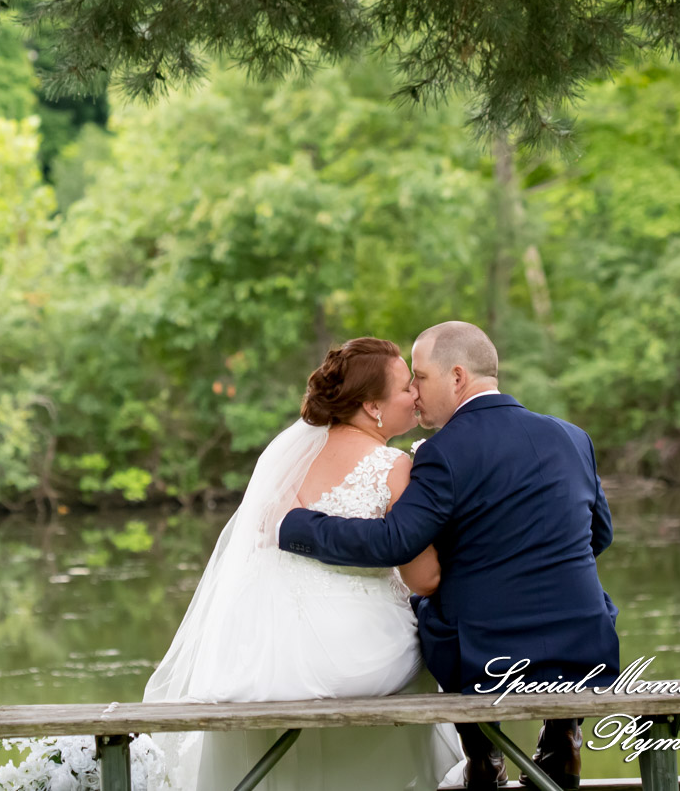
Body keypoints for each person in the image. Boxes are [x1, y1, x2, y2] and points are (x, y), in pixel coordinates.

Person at [279, 321, 620, 790]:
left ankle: (483, 752)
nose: (414, 391)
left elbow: (394, 542)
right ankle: (563, 734)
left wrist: (295, 524)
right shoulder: (572, 437)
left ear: (457, 377)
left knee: (427, 605)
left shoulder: (444, 451)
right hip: (586, 646)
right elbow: (598, 535)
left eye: (419, 377)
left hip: (487, 658)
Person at [143, 337, 461, 791]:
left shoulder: (289, 462)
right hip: (362, 655)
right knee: (426, 649)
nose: (415, 394)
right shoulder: (394, 467)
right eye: (406, 386)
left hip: (265, 657)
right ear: (373, 406)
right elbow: (424, 578)